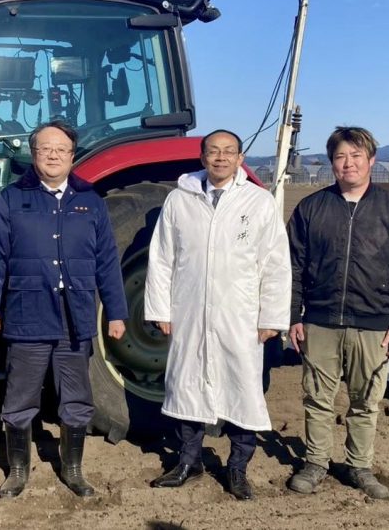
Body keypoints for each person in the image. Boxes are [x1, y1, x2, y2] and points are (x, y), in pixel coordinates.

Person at [0, 120, 128, 498]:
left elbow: (107, 261)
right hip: (27, 313)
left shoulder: (90, 201)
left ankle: (73, 469)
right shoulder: (11, 199)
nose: (54, 155)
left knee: (76, 397)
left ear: (72, 156)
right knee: (20, 396)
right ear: (34, 154)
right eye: (46, 149)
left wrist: (117, 311)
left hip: (75, 317)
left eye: (61, 149)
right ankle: (17, 471)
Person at [144, 129, 291, 500]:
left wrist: (272, 317)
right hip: (189, 310)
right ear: (202, 157)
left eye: (229, 152)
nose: (221, 158)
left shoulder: (258, 202)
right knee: (188, 386)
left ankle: (238, 467)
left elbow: (275, 264)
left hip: (240, 315)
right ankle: (188, 461)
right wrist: (161, 308)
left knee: (242, 388)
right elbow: (162, 258)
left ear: (240, 158)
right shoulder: (180, 199)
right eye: (213, 151)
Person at [286, 126, 389, 500]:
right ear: (331, 163)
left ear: (371, 160)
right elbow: (292, 267)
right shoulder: (311, 208)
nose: (348, 163)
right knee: (317, 398)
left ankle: (359, 466)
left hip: (373, 324)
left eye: (356, 156)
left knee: (366, 402)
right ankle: (315, 462)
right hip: (320, 321)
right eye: (340, 157)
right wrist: (294, 316)